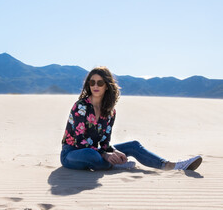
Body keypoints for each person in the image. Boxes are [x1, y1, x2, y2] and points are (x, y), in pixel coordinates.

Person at [61, 66, 202, 171]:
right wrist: (105, 154)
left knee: (133, 145)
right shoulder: (81, 106)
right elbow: (80, 142)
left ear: (107, 86)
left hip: (96, 152)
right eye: (92, 83)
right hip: (72, 153)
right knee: (91, 154)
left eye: (100, 83)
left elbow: (104, 142)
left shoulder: (109, 112)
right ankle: (114, 165)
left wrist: (113, 151)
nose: (95, 86)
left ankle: (170, 165)